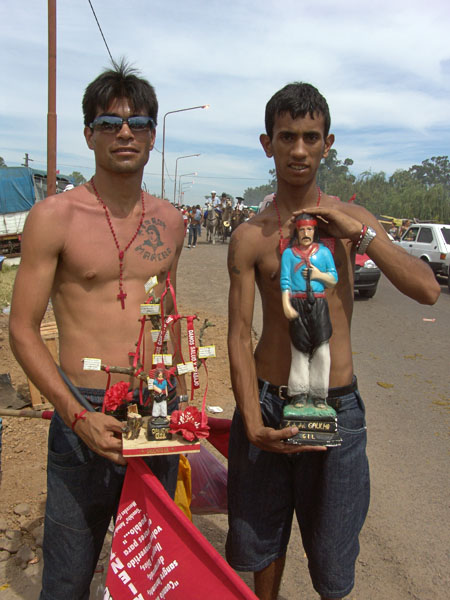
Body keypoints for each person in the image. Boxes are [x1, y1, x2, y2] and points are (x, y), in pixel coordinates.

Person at [226, 82, 440, 600]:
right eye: (287, 137)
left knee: (333, 557)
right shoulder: (251, 236)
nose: (298, 150)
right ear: (267, 143)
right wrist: (251, 419)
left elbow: (428, 289)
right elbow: (238, 332)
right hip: (271, 403)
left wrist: (358, 235)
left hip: (336, 407)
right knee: (262, 546)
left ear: (328, 143)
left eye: (310, 137)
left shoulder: (354, 222)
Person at [9, 60, 186, 600]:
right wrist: (79, 417)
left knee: (152, 566)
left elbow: (169, 313)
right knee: (68, 570)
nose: (124, 133)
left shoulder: (172, 221)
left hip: (155, 402)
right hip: (83, 406)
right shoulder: (54, 216)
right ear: (89, 134)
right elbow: (21, 330)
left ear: (154, 135)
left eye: (138, 123)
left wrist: (180, 395)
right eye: (109, 123)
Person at [280, 213, 337, 410]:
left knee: (322, 349)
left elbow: (333, 279)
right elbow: (285, 281)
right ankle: (298, 392)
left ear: (315, 230)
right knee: (299, 348)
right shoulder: (289, 254)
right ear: (297, 230)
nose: (306, 233)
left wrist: (318, 274)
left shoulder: (323, 253)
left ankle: (319, 393)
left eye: (309, 229)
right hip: (297, 303)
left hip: (319, 304)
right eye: (302, 229)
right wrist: (286, 304)